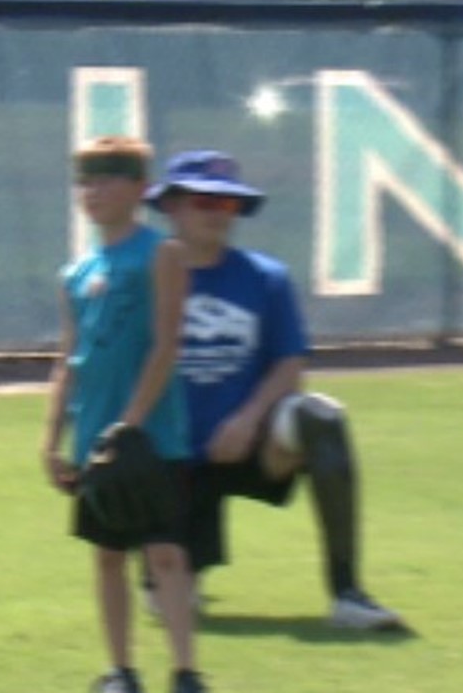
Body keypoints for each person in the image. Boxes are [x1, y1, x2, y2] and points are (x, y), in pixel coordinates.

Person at [142, 149, 405, 632]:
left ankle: (348, 593)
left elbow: (290, 360)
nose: (219, 214)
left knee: (320, 417)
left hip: (248, 446)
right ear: (173, 206)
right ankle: (169, 566)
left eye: (228, 205)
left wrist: (248, 418)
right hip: (174, 459)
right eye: (205, 201)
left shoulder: (265, 278)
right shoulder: (144, 278)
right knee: (174, 602)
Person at [41, 136, 213, 693]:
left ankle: (187, 674)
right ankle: (122, 672)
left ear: (139, 190)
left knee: (165, 553)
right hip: (94, 435)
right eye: (85, 182)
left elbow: (166, 345)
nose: (93, 192)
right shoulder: (76, 272)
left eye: (107, 180)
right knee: (108, 555)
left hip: (152, 436)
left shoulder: (159, 254)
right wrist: (53, 439)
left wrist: (132, 424)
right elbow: (70, 358)